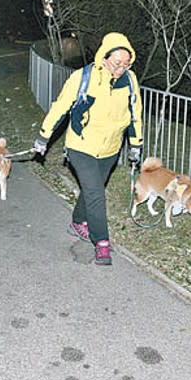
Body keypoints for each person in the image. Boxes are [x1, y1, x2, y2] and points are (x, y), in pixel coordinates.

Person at [33, 32, 144, 265]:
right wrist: (44, 136)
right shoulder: (83, 77)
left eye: (126, 63)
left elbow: (135, 115)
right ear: (104, 58)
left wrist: (136, 144)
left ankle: (77, 222)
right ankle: (101, 242)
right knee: (96, 193)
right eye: (117, 63)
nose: (121, 68)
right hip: (80, 145)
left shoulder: (130, 81)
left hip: (111, 148)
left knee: (92, 188)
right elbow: (60, 107)